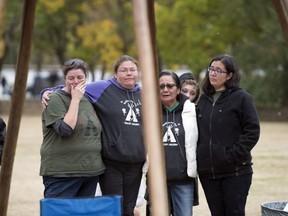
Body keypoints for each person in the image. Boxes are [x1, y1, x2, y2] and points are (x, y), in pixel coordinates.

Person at [41, 55, 146, 216]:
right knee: (113, 208)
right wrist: (47, 91)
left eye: (132, 70)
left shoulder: (144, 94)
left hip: (132, 163)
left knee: (129, 209)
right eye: (123, 70)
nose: (129, 73)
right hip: (110, 162)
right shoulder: (101, 88)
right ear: (115, 73)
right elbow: (70, 90)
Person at [196, 54, 260, 216]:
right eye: (211, 69)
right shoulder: (203, 100)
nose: (213, 73)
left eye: (219, 70)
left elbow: (252, 131)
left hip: (235, 172)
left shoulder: (242, 98)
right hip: (208, 173)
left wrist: (231, 155)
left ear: (230, 75)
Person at [40, 58, 105, 198]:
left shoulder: (89, 99)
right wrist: (75, 100)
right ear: (64, 79)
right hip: (62, 173)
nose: (75, 81)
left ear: (86, 78)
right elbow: (65, 129)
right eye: (71, 78)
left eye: (80, 77)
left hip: (90, 172)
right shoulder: (55, 99)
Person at [146, 70, 198, 216]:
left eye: (170, 86)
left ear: (178, 89)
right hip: (156, 180)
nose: (165, 89)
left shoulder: (192, 111)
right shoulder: (149, 111)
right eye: (161, 86)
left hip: (183, 179)